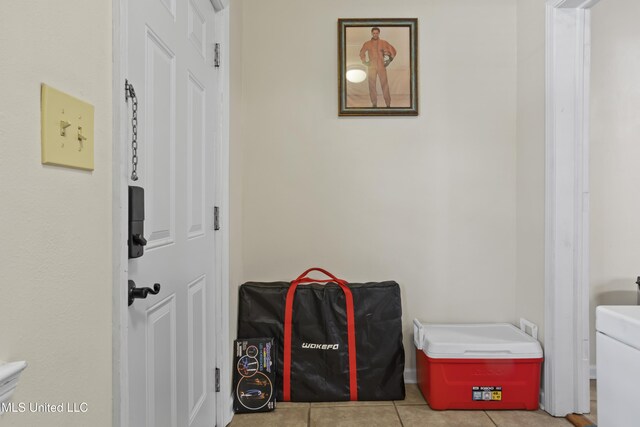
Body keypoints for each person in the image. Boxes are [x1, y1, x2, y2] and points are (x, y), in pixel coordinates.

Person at [359, 27, 397, 108]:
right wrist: (364, 61)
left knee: (385, 84)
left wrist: (389, 60)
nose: (375, 34)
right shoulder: (367, 43)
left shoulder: (384, 42)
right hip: (372, 66)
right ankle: (374, 103)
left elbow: (393, 50)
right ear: (371, 33)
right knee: (372, 85)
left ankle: (388, 104)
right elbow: (362, 52)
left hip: (381, 66)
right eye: (374, 33)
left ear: (379, 33)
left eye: (377, 33)